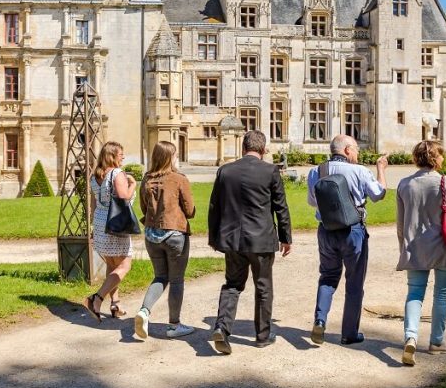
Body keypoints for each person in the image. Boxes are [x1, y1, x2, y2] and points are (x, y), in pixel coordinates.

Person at [208, 130, 292, 354]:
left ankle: (222, 328)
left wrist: (213, 237)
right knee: (263, 286)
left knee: (233, 285)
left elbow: (214, 207)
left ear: (243, 148)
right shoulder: (270, 171)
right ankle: (263, 335)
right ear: (263, 151)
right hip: (261, 240)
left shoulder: (225, 171)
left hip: (232, 239)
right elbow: (280, 207)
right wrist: (286, 238)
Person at [305, 134, 388, 346]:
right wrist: (381, 170)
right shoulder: (359, 171)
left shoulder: (317, 171)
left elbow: (313, 202)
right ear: (348, 150)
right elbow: (379, 194)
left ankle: (320, 320)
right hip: (353, 232)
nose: (358, 153)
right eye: (357, 149)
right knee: (354, 282)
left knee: (327, 277)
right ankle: (349, 333)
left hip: (326, 230)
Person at [396, 140, 446, 366]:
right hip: (444, 246)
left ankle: (411, 337)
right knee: (441, 294)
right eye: (441, 156)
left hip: (415, 247)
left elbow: (400, 225)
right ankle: (436, 342)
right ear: (436, 159)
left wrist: (403, 247)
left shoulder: (404, 184)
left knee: (415, 293)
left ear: (417, 158)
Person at [133, 141, 196, 340]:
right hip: (175, 233)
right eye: (175, 155)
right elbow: (189, 210)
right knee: (176, 280)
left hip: (152, 235)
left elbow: (144, 208)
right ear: (170, 157)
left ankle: (144, 311)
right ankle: (175, 325)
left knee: (160, 277)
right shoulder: (179, 179)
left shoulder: (147, 179)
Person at [83, 141, 136, 321]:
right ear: (113, 156)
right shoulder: (117, 173)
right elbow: (123, 198)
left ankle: (115, 303)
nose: (123, 157)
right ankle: (96, 298)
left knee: (113, 265)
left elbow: (94, 202)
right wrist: (133, 185)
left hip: (100, 222)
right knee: (124, 265)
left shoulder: (95, 175)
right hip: (116, 223)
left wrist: (93, 225)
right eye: (121, 154)